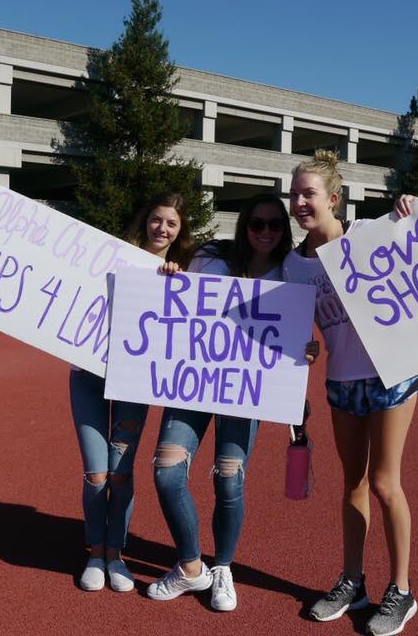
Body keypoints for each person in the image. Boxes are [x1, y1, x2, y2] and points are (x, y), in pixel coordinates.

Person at [283, 150, 418, 636]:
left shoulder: (368, 234)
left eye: (309, 193)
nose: (299, 202)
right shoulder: (293, 265)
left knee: (385, 483)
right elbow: (292, 330)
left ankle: (401, 590)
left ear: (334, 198)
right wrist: (300, 352)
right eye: (294, 194)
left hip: (391, 375)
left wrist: (412, 208)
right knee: (353, 484)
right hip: (342, 382)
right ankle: (353, 581)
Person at [146, 193, 303, 611]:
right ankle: (190, 566)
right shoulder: (211, 257)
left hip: (244, 388)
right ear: (243, 224)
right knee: (167, 473)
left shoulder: (291, 272)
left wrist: (303, 351)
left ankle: (224, 567)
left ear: (284, 230)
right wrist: (169, 273)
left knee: (229, 480)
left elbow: (297, 332)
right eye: (257, 223)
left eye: (274, 224)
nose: (265, 232)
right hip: (192, 380)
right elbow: (170, 287)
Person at [70, 193, 193, 592]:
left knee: (120, 474)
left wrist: (174, 278)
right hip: (88, 374)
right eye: (157, 219)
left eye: (171, 223)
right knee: (96, 473)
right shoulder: (111, 257)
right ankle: (95, 552)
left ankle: (115, 554)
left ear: (180, 231)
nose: (162, 228)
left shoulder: (180, 276)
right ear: (145, 220)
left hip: (135, 382)